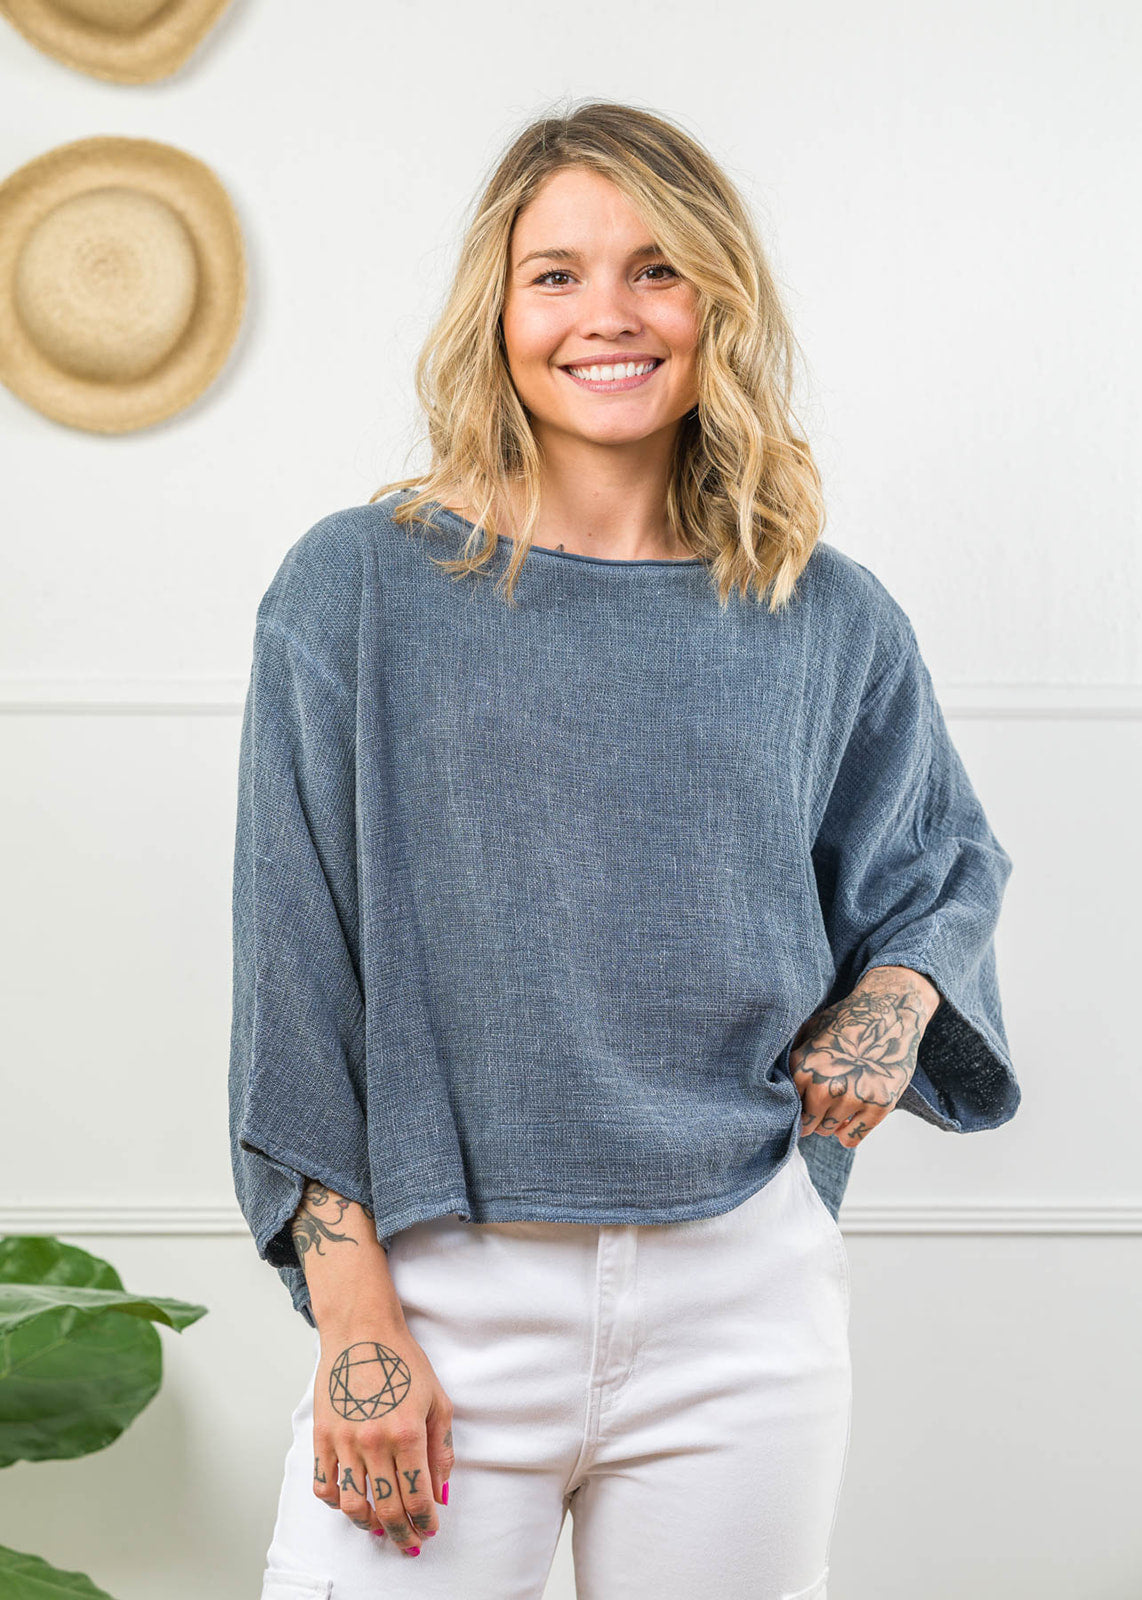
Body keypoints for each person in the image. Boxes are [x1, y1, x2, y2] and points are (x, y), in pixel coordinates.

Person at [228, 100, 1021, 1600]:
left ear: (718, 303)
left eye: (657, 269)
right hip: (443, 1296)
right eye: (556, 275)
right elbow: (296, 977)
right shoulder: (354, 590)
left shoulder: (822, 612)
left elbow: (941, 863)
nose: (608, 314)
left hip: (743, 1301)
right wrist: (356, 1323)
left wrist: (897, 996)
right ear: (497, 311)